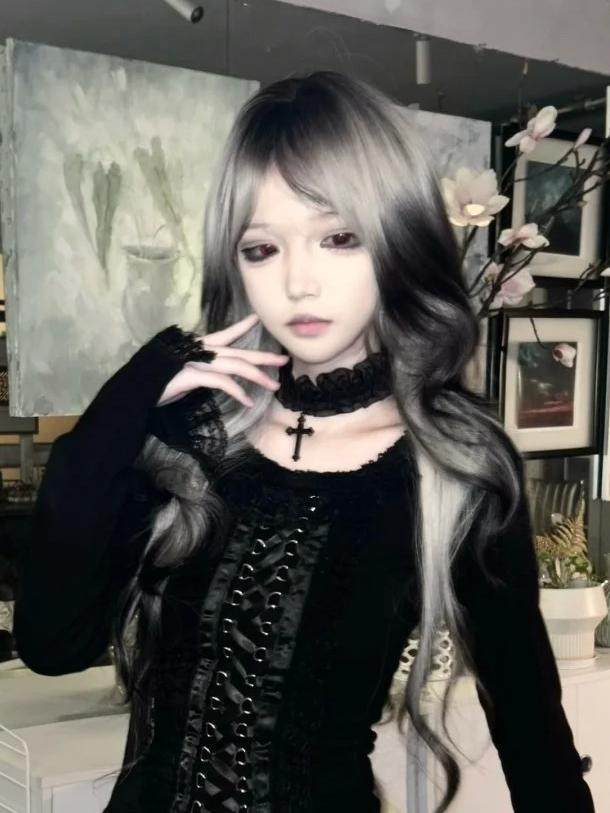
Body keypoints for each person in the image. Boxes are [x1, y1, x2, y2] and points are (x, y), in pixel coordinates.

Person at [13, 71, 594, 813]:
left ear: (397, 238)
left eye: (338, 238)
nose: (298, 283)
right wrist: (118, 410)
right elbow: (52, 644)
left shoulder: (454, 467)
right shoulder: (193, 435)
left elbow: (533, 734)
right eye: (261, 248)